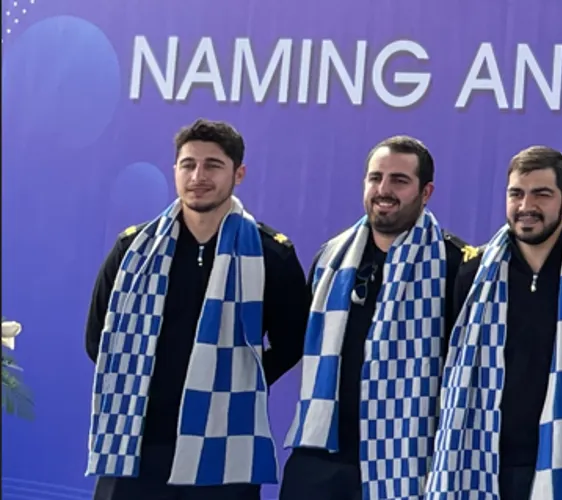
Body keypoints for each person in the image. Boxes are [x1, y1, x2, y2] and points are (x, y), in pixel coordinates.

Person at [84, 118, 311, 499]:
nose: (198, 176)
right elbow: (98, 339)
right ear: (175, 171)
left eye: (213, 165)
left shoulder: (272, 254)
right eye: (188, 164)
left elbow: (293, 341)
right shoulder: (132, 250)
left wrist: (236, 381)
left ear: (238, 174)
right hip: (137, 442)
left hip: (224, 447)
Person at [425, 146, 562, 500]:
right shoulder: (472, 273)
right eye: (516, 194)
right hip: (484, 462)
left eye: (541, 194)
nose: (526, 206)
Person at [280, 136, 473, 500]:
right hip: (320, 455)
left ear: (425, 191)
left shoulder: (458, 266)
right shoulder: (331, 258)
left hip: (407, 460)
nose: (383, 190)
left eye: (399, 180)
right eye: (375, 178)